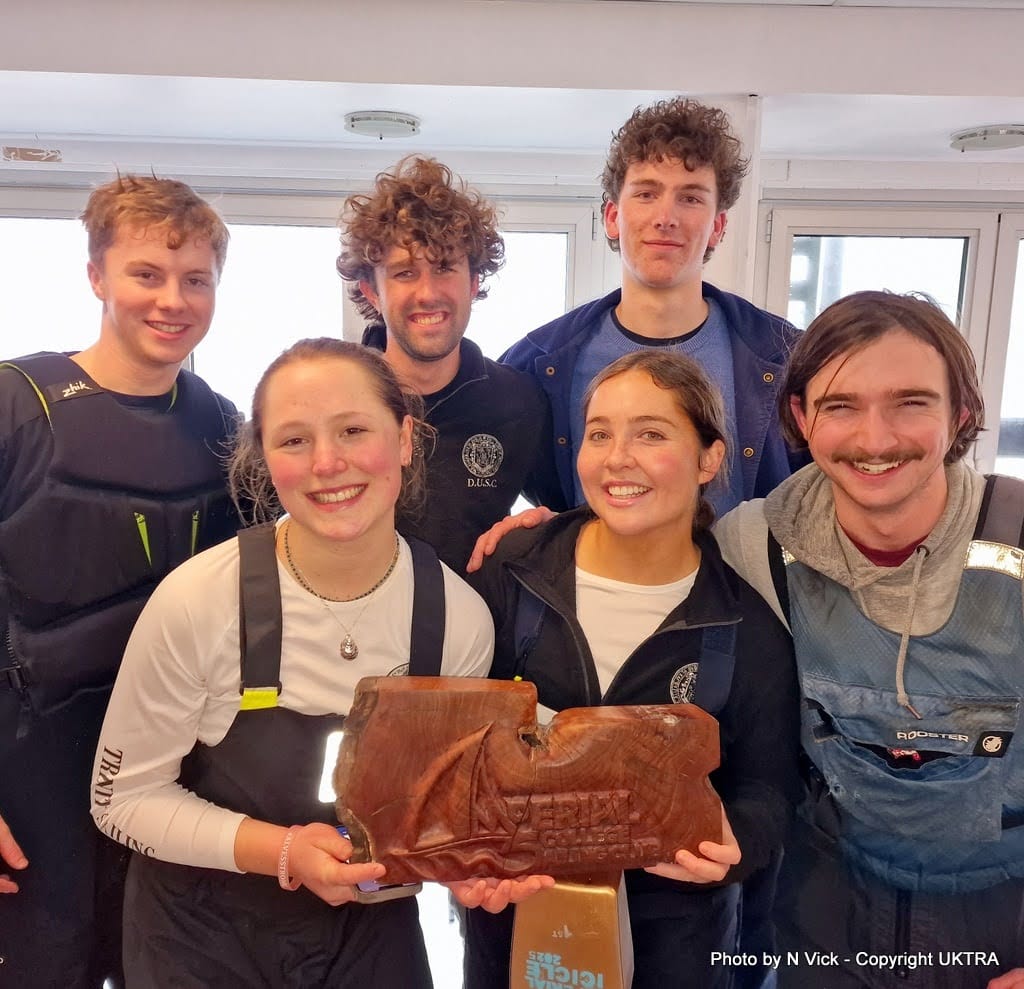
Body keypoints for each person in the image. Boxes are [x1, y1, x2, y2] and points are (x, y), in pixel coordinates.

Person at [90, 339, 550, 988]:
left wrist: (467, 864)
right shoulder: (199, 603)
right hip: (199, 933)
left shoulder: (457, 620)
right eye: (294, 440)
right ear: (264, 457)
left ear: (405, 440)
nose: (327, 464)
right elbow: (121, 799)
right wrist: (285, 851)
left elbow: (438, 803)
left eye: (353, 430)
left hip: (371, 926)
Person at [714, 291, 1024, 989]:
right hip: (824, 911)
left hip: (1002, 921)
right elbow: (642, 569)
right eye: (840, 405)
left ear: (961, 413)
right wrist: (550, 541)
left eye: (911, 402)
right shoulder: (752, 543)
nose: (875, 440)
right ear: (801, 417)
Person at [464, 350, 800, 989]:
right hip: (515, 928)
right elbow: (456, 748)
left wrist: (735, 842)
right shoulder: (514, 570)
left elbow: (771, 789)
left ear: (709, 459)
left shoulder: (744, 625)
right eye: (599, 434)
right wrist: (464, 856)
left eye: (650, 434)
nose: (617, 458)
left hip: (677, 941)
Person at [0, 175, 239, 988]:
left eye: (196, 278)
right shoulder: (17, 405)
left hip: (171, 778)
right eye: (147, 273)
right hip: (29, 775)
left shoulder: (223, 424)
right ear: (96, 275)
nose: (173, 300)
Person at [502, 97, 807, 520]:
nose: (666, 217)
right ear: (612, 217)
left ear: (717, 226)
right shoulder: (535, 363)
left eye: (691, 198)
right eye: (646, 194)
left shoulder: (788, 357)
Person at [336, 154, 566, 573]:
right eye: (405, 273)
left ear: (474, 282)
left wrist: (548, 527)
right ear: (372, 292)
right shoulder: (331, 398)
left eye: (444, 268)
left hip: (475, 614)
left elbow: (567, 512)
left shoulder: (520, 402)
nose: (428, 293)